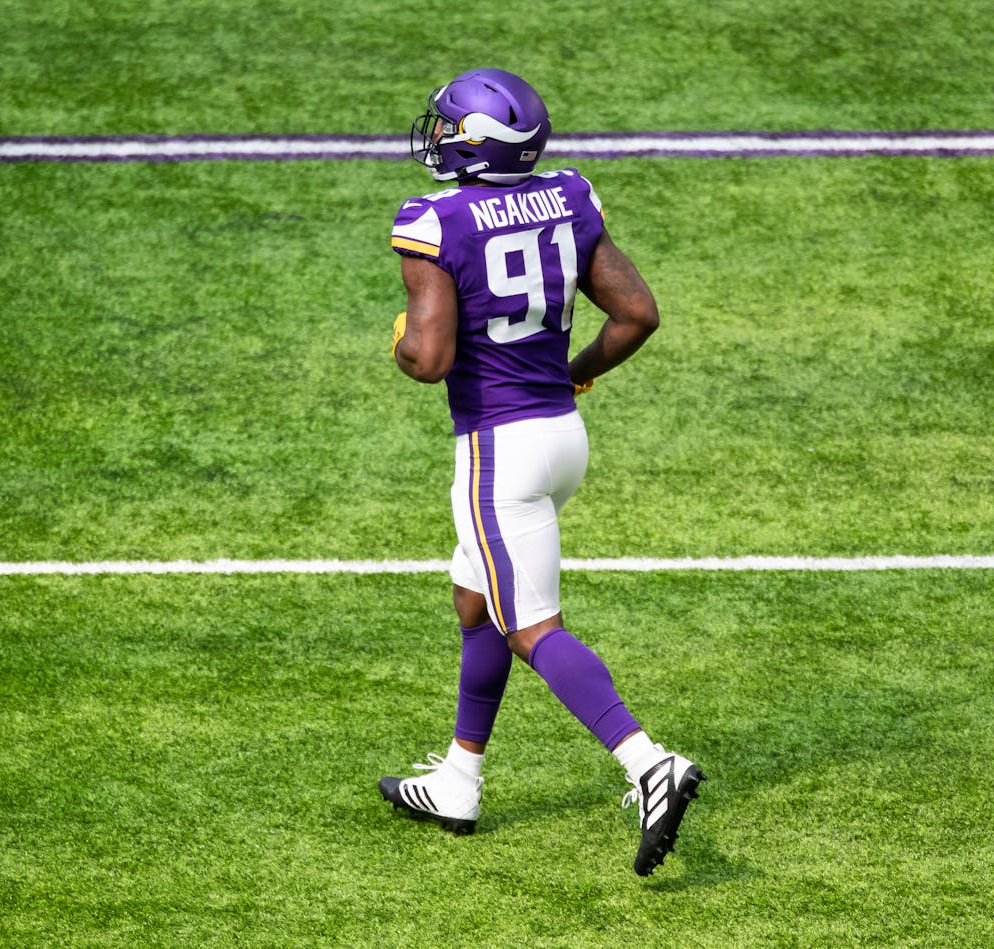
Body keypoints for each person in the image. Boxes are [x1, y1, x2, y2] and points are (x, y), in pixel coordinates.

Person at [377, 68, 705, 877]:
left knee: (531, 627)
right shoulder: (567, 195)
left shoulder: (434, 219)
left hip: (497, 450)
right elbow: (637, 315)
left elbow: (431, 357)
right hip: (561, 436)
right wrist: (577, 372)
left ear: (473, 141)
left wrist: (398, 339)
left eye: (450, 125)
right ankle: (458, 779)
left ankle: (647, 761)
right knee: (474, 599)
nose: (440, 134)